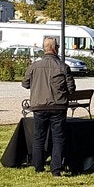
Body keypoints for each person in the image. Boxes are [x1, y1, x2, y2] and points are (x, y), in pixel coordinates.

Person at [22, 36, 76, 177]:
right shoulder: (63, 67)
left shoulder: (34, 66)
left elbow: (25, 84)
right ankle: (56, 169)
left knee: (39, 136)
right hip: (58, 106)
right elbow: (71, 89)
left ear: (44, 48)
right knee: (58, 137)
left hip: (39, 105)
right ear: (55, 48)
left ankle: (38, 165)